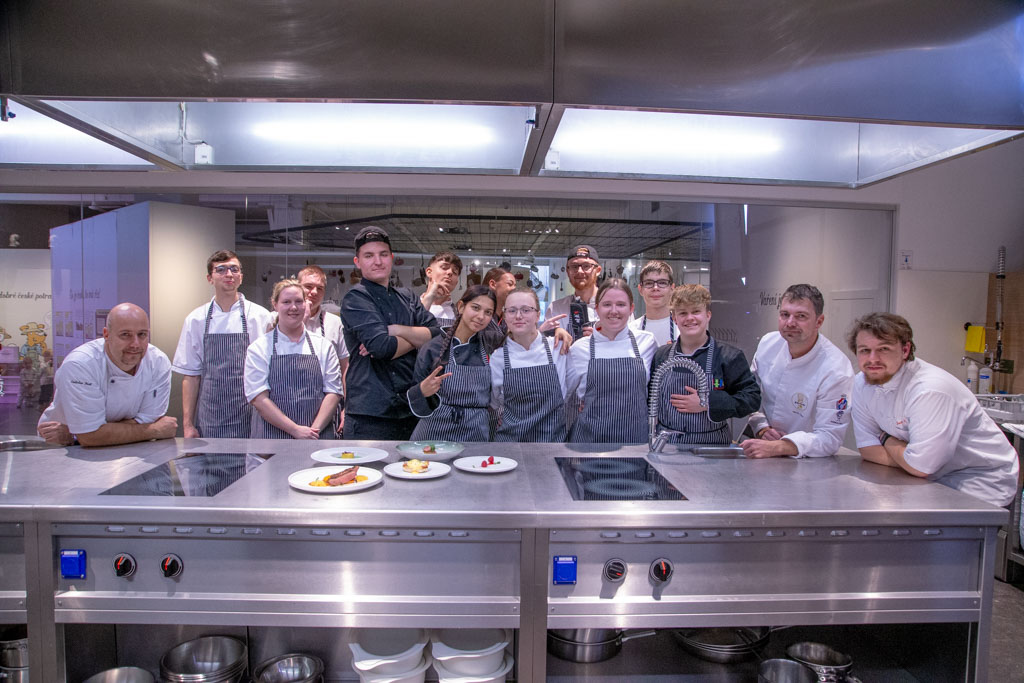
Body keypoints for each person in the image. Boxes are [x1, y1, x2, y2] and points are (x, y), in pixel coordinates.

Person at [848, 312, 1018, 507]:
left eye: (883, 349)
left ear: (905, 350)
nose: (873, 359)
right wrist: (910, 460)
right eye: (864, 350)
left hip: (978, 482)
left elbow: (921, 466)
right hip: (923, 478)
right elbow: (868, 450)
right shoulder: (861, 384)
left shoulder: (929, 390)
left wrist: (886, 439)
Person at [340, 226, 442, 440]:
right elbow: (382, 348)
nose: (378, 261)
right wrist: (417, 338)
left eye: (383, 254)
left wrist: (396, 330)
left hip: (409, 408)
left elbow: (437, 335)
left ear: (392, 258)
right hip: (370, 415)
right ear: (357, 262)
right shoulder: (355, 299)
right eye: (369, 256)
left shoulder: (408, 297)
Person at [37, 303, 177, 447]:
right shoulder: (81, 364)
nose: (135, 344)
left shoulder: (158, 362)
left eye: (142, 334)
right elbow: (90, 438)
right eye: (125, 335)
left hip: (123, 448)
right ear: (106, 334)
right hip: (64, 448)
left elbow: (149, 419)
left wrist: (83, 432)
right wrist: (154, 430)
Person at [742, 284, 854, 458]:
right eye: (785, 314)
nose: (790, 323)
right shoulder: (768, 344)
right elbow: (751, 394)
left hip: (809, 459)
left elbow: (830, 437)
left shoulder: (836, 369)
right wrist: (762, 427)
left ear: (819, 321)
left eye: (801, 316)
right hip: (762, 447)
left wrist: (782, 446)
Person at [173, 250, 273, 438]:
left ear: (241, 276)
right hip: (210, 416)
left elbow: (270, 372)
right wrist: (188, 424)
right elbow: (191, 376)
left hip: (251, 413)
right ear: (209, 278)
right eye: (221, 270)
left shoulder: (260, 317)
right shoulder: (196, 319)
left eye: (234, 269)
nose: (229, 274)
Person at [650, 285, 760, 445]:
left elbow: (752, 399)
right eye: (683, 313)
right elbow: (651, 398)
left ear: (708, 315)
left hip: (712, 445)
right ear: (674, 318)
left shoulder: (728, 356)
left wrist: (709, 402)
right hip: (667, 445)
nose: (690, 318)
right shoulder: (662, 355)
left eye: (696, 311)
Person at [244, 279, 343, 439]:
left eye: (298, 301)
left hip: (316, 438)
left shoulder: (323, 346)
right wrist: (295, 430)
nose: (294, 307)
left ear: (306, 304)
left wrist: (313, 431)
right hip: (272, 441)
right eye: (286, 302)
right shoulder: (259, 348)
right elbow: (258, 398)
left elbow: (334, 392)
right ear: (275, 305)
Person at [567, 278, 659, 443]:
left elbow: (657, 392)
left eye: (621, 305)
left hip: (635, 442)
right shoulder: (579, 349)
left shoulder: (647, 342)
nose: (614, 311)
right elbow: (562, 396)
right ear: (597, 309)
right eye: (607, 304)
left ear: (631, 309)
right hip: (588, 442)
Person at [407, 285, 496, 441]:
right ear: (461, 307)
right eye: (475, 308)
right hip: (435, 432)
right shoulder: (433, 348)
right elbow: (413, 399)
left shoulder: (491, 347)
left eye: (488, 312)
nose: (481, 316)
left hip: (475, 433)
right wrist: (422, 391)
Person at [491, 287, 570, 442]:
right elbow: (493, 404)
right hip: (510, 445)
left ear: (538, 315)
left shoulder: (558, 348)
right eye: (511, 310)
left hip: (552, 445)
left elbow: (571, 392)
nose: (518, 316)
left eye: (526, 310)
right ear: (505, 316)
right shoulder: (498, 358)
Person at [297, 265, 350, 434]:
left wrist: (347, 407)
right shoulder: (278, 321)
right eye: (308, 286)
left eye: (319, 288)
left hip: (328, 405)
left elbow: (345, 368)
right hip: (288, 406)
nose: (314, 292)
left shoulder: (335, 324)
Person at [547, 245, 603, 341]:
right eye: (574, 266)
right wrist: (554, 332)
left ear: (598, 271)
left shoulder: (616, 307)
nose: (579, 271)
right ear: (568, 271)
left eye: (586, 266)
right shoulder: (556, 309)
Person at [628, 260, 678, 346]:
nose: (655, 288)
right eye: (649, 283)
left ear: (672, 288)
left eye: (662, 283)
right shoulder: (630, 331)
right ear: (640, 289)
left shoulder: (683, 329)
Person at [419, 251, 463, 327]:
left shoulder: (460, 315)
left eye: (455, 272)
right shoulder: (409, 305)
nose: (450, 272)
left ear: (456, 282)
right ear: (429, 272)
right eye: (444, 268)